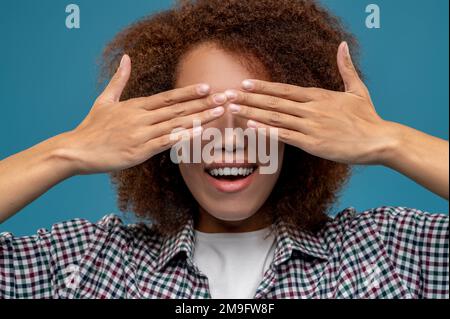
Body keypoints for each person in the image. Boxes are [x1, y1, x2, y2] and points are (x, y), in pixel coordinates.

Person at [0, 0, 448, 299]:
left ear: (303, 129)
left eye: (259, 112)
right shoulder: (88, 262)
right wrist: (70, 150)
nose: (230, 140)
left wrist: (389, 140)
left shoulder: (385, 252)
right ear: (161, 134)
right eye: (200, 114)